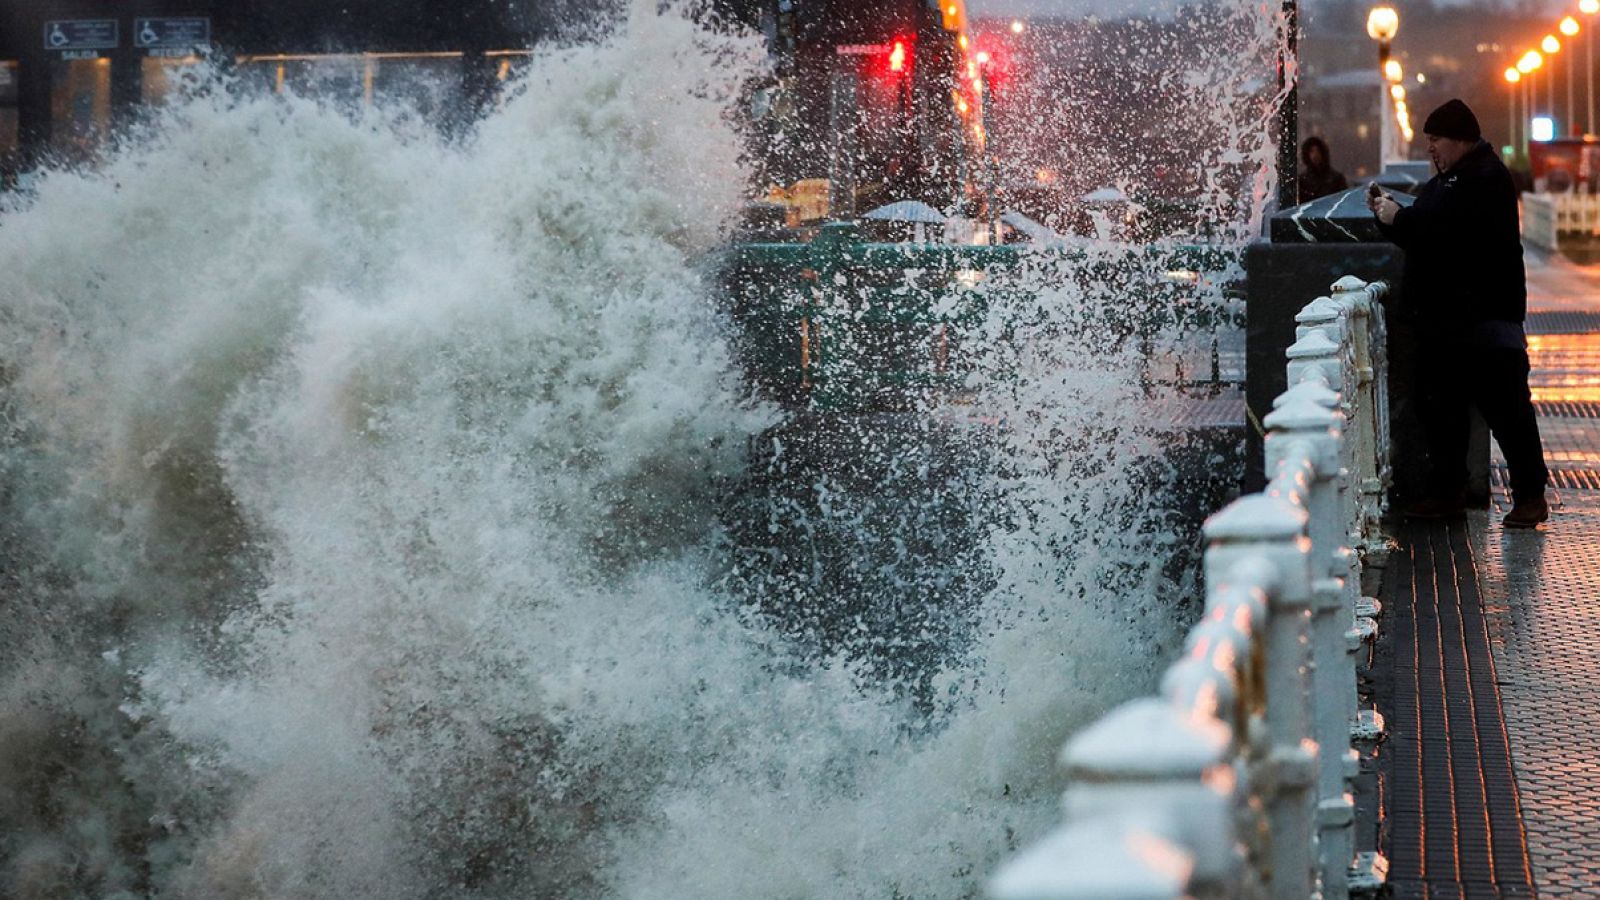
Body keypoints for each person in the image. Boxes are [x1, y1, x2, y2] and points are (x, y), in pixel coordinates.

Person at [1368, 98, 1550, 527]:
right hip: (1447, 323)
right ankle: (1447, 492)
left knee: (1507, 410)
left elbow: (1443, 233)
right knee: (1441, 410)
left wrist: (1399, 219)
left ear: (1461, 139)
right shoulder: (1451, 180)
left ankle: (1530, 497)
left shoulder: (1484, 178)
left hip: (1484, 319)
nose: (1430, 148)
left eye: (1436, 139)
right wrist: (1388, 217)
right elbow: (1425, 231)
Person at [1298, 136, 1349, 204]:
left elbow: (1343, 202)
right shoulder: (1302, 181)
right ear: (1307, 154)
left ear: (1323, 153)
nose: (1315, 155)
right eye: (1311, 151)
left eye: (1318, 151)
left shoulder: (1336, 179)